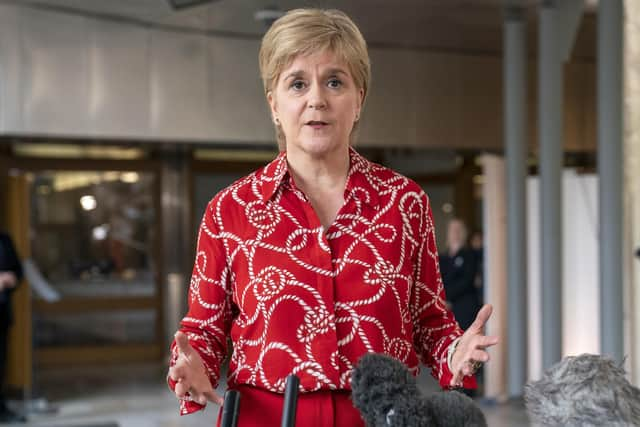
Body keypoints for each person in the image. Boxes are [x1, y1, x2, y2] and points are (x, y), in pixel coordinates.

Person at [167, 9, 498, 426]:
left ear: (358, 100)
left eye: (335, 82)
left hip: (382, 417)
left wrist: (455, 353)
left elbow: (429, 318)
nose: (317, 99)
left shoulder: (404, 202)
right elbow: (204, 328)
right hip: (267, 417)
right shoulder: (229, 209)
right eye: (298, 83)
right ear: (274, 104)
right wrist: (191, 364)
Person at [0, 231, 25, 423]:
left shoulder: (4, 238)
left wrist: (12, 278)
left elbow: (18, 270)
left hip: (2, 312)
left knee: (1, 363)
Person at [439, 219, 480, 331]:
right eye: (452, 229)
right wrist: (442, 300)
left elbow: (467, 281)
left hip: (464, 308)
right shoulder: (441, 257)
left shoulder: (469, 255)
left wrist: (447, 297)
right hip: (445, 309)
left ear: (464, 233)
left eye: (458, 229)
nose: (455, 232)